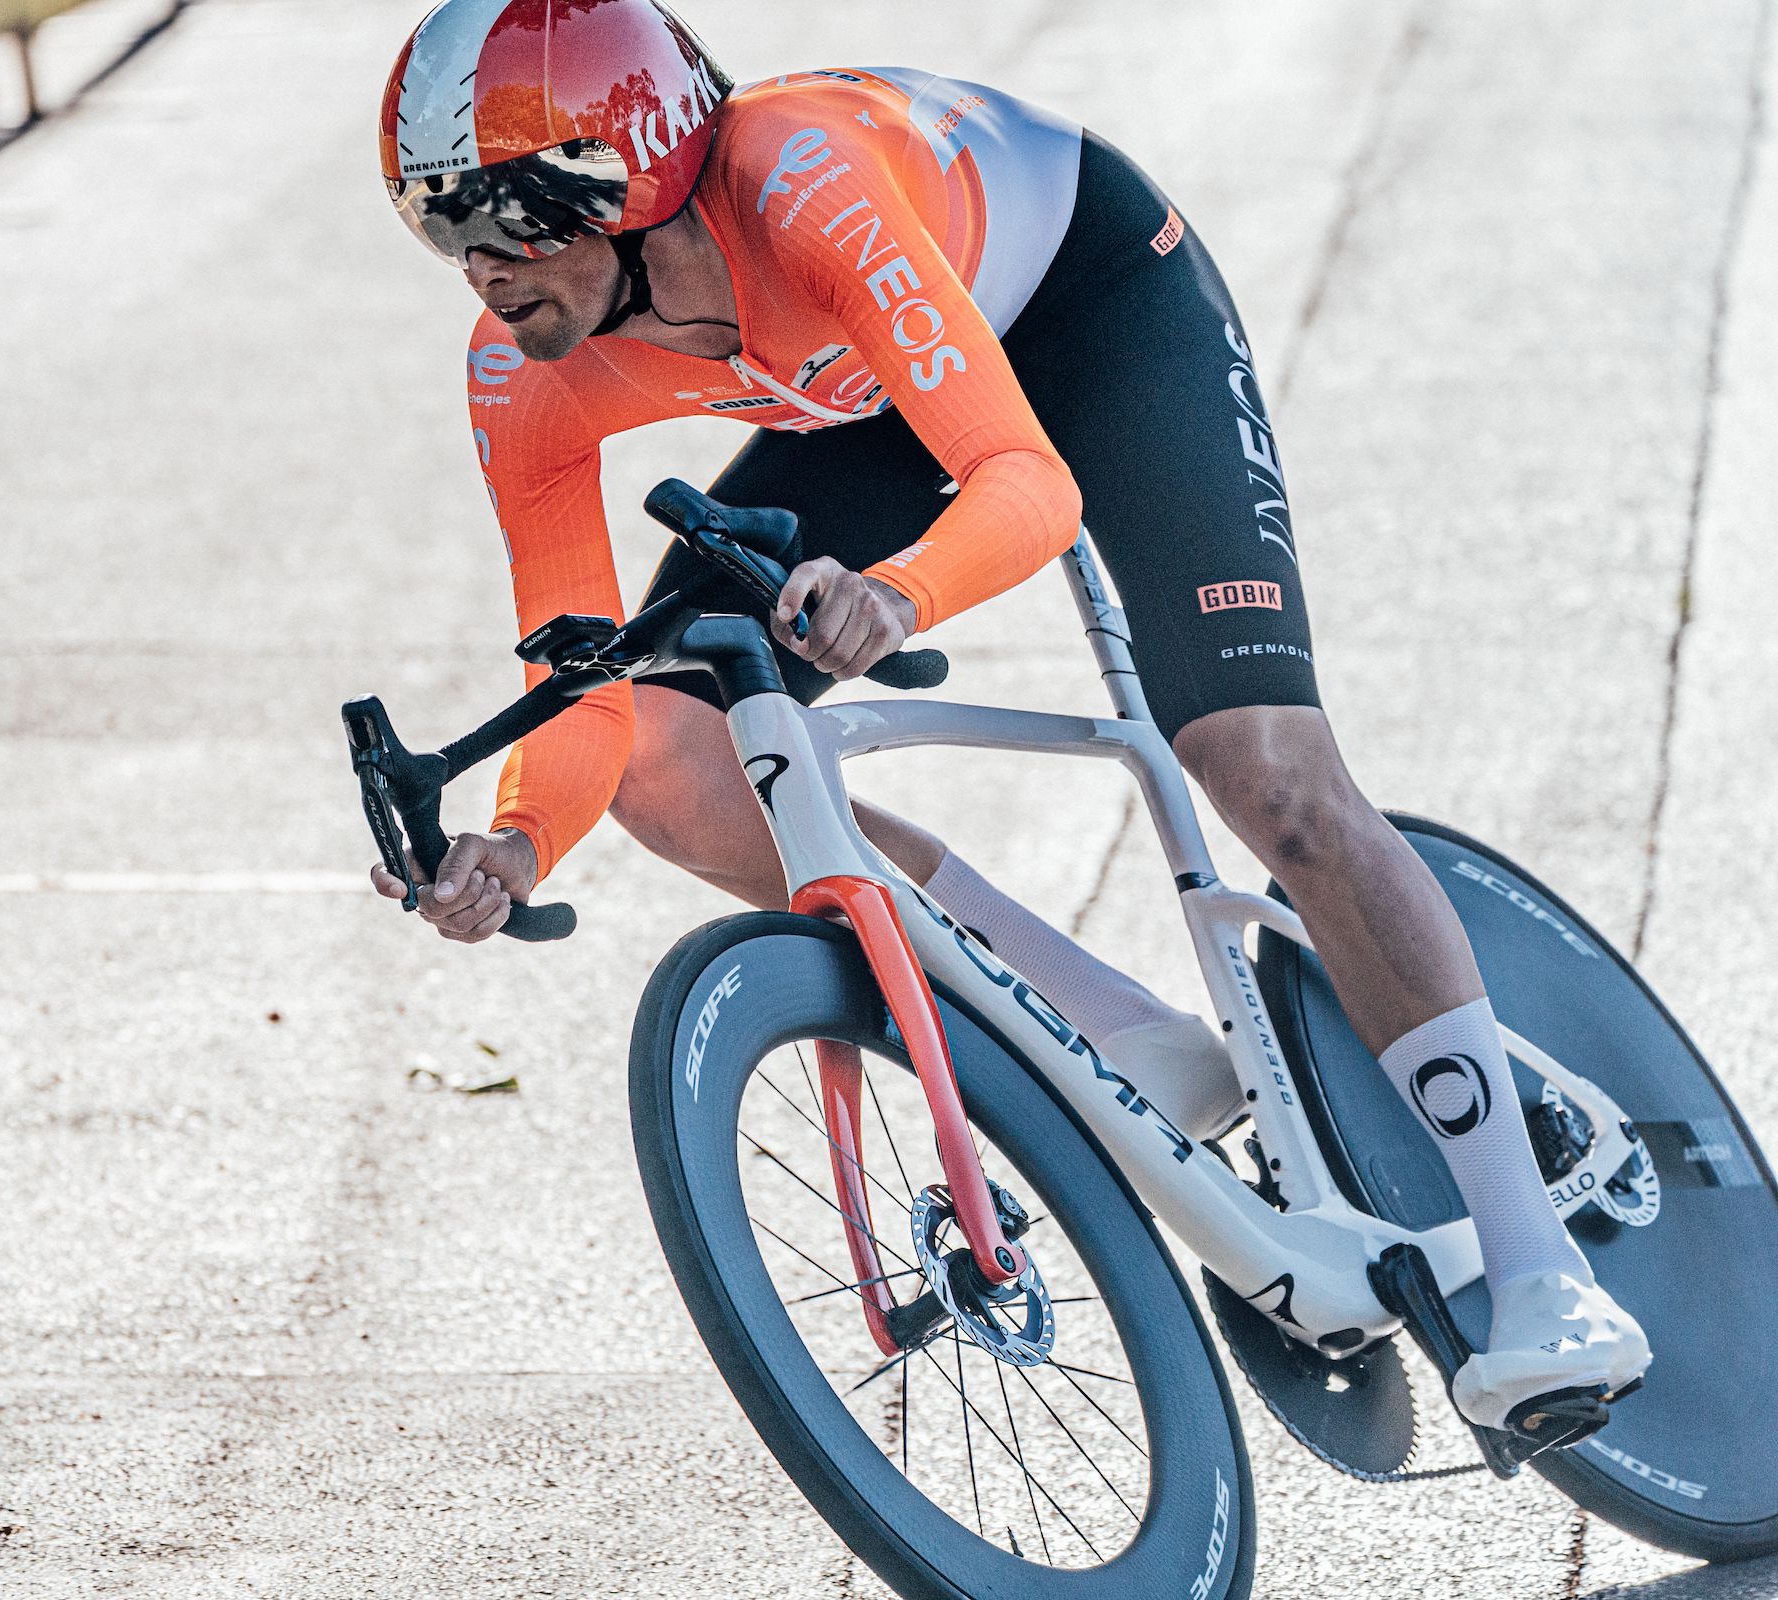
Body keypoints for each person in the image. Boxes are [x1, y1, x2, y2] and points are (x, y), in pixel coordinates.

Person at [365, 0, 1647, 1439]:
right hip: (865, 387)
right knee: (671, 762)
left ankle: (1539, 1271)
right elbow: (585, 686)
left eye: (513, 217)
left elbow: (1029, 490)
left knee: (1261, 770)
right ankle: (1117, 1036)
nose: (478, 267)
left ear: (641, 173)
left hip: (1085, 306)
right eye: (437, 223)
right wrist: (522, 844)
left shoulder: (799, 177)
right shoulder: (521, 371)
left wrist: (898, 595)